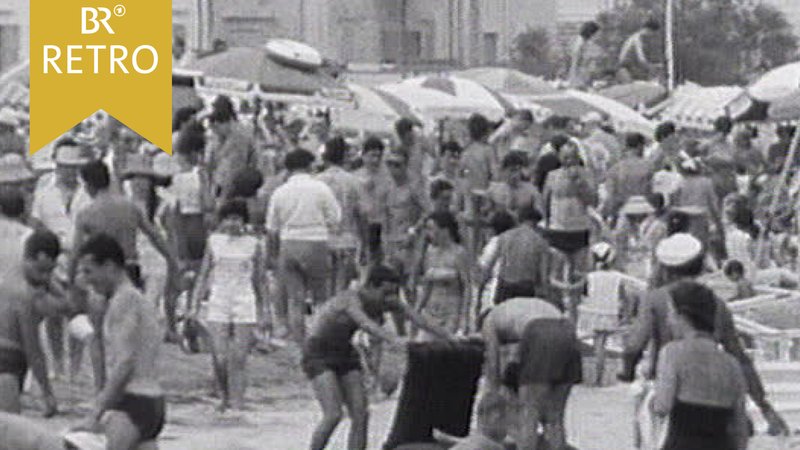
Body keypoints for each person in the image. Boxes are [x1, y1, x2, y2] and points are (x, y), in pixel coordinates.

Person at [619, 233, 789, 437]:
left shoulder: (654, 300)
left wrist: (627, 371)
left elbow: (634, 345)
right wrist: (764, 406)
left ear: (664, 267)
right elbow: (739, 356)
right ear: (700, 266)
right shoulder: (715, 303)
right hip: (711, 391)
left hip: (667, 388)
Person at [304, 265, 453, 450]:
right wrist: (394, 339)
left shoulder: (387, 300)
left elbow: (419, 320)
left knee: (361, 414)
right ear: (370, 287)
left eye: (393, 292)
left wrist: (450, 337)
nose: (390, 298)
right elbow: (365, 324)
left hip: (344, 353)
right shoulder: (349, 299)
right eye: (386, 292)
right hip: (318, 353)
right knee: (333, 414)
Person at [72, 234, 166, 450]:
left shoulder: (123, 301)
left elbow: (124, 363)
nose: (86, 279)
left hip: (132, 403)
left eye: (89, 271)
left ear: (109, 266)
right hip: (153, 403)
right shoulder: (137, 299)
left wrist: (96, 412)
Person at [653, 281, 749, 450]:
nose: (668, 320)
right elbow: (740, 425)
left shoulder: (673, 353)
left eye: (671, 313)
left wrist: (647, 398)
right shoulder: (731, 364)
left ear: (683, 316)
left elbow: (662, 406)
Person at [192, 200, 266, 411]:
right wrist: (194, 305)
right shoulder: (214, 241)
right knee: (220, 355)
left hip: (244, 299)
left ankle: (238, 402)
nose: (232, 223)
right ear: (222, 220)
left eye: (237, 219)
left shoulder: (254, 244)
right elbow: (203, 274)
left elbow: (260, 280)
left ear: (244, 221)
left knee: (240, 357)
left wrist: (265, 311)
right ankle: (224, 395)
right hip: (219, 298)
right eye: (228, 219)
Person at [481, 295, 580, 450]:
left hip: (540, 332)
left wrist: (492, 397)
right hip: (568, 330)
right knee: (554, 417)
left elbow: (493, 364)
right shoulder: (517, 310)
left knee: (528, 413)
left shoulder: (489, 321)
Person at [30, 138, 94, 380]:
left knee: (78, 311)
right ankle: (57, 364)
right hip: (52, 260)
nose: (70, 171)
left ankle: (75, 367)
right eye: (65, 166)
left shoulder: (87, 194)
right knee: (54, 315)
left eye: (73, 167)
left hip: (81, 259)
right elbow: (36, 227)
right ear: (57, 167)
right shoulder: (45, 194)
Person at [266, 148, 341, 344]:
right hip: (316, 241)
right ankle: (320, 338)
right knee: (320, 297)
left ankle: (299, 342)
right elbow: (335, 218)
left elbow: (272, 228)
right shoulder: (321, 188)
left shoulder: (280, 192)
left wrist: (272, 255)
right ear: (309, 166)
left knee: (295, 298)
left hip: (289, 242)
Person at [0, 231, 60, 416]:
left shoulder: (7, 278)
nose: (44, 277)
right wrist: (48, 394)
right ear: (28, 258)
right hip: (8, 363)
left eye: (49, 272)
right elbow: (33, 349)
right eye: (41, 271)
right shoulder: (25, 296)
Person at [542, 140, 598, 308]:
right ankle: (555, 309)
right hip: (557, 229)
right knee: (555, 276)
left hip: (579, 229)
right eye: (565, 157)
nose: (569, 161)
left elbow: (593, 201)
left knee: (578, 275)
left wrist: (580, 184)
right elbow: (545, 201)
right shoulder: (552, 176)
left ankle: (575, 312)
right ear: (559, 157)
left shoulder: (586, 174)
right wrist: (546, 224)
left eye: (572, 157)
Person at [317, 137, 365, 294]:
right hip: (347, 240)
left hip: (322, 240)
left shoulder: (317, 181)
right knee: (341, 290)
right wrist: (364, 243)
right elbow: (362, 213)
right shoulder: (353, 181)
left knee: (324, 289)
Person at [381, 150, 427, 308]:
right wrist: (385, 241)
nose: (393, 169)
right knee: (391, 289)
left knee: (410, 287)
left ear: (405, 166)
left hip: (409, 244)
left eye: (398, 165)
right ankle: (400, 330)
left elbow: (427, 211)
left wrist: (414, 231)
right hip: (392, 243)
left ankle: (414, 326)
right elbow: (385, 216)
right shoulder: (387, 188)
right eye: (390, 164)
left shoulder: (413, 187)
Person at [483, 205, 551, 305]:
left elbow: (490, 264)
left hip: (504, 284)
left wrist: (483, 284)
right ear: (536, 222)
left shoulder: (505, 236)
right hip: (526, 286)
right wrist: (544, 294)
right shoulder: (541, 242)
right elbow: (543, 275)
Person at [417, 211, 471, 336]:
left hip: (452, 310)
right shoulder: (430, 252)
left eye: (431, 229)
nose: (429, 234)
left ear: (445, 231)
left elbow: (466, 287)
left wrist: (465, 318)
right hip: (431, 308)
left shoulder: (459, 253)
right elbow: (427, 286)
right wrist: (418, 309)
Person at [206, 95, 256, 198]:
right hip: (227, 180)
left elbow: (234, 163)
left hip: (231, 181)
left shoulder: (238, 134)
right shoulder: (243, 129)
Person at [602, 132, 653, 222]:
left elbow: (610, 196)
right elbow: (651, 192)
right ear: (640, 146)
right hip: (644, 213)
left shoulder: (615, 169)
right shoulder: (648, 166)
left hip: (622, 214)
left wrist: (607, 216)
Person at [355, 137, 391, 265]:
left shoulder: (388, 177)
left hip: (382, 225)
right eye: (372, 156)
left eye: (379, 156)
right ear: (363, 155)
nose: (375, 160)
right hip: (361, 226)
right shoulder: (355, 177)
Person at [486, 152, 543, 221]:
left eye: (517, 170)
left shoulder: (531, 190)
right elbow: (486, 214)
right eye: (511, 171)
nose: (514, 175)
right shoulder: (494, 190)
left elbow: (540, 214)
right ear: (503, 171)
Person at [568, 21, 603, 89]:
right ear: (591, 33)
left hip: (583, 78)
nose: (598, 36)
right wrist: (575, 82)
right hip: (580, 80)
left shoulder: (584, 43)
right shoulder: (580, 44)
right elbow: (575, 64)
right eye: (597, 34)